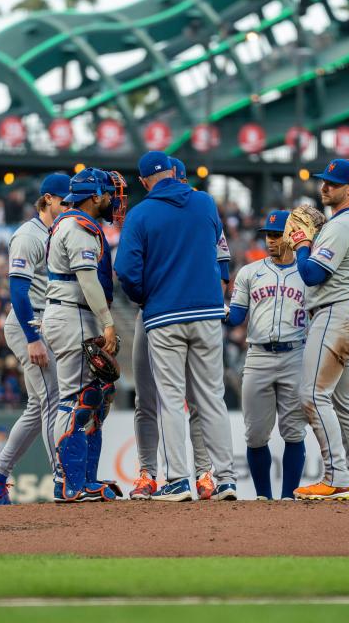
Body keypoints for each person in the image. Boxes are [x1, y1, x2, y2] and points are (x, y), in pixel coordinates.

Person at [115, 151, 236, 502]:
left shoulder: (140, 213)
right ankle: (225, 479)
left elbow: (125, 270)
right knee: (211, 398)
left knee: (169, 399)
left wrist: (144, 297)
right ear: (174, 172)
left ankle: (179, 480)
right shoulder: (205, 203)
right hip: (208, 313)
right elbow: (220, 253)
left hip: (165, 314)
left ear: (142, 181)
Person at [0, 174, 68, 506]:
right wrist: (32, 337)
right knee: (52, 398)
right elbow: (17, 289)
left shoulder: (59, 231)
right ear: (47, 200)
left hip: (49, 319)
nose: (69, 205)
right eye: (64, 200)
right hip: (29, 323)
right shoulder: (29, 235)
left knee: (38, 403)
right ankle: (64, 478)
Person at [288, 159, 349, 501]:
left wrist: (300, 244)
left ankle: (337, 478)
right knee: (345, 405)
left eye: (333, 184)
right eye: (324, 182)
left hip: (335, 316)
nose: (325, 187)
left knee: (312, 396)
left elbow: (312, 274)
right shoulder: (345, 224)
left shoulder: (342, 224)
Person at [42, 167, 124, 502]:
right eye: (106, 193)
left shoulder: (74, 222)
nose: (110, 199)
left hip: (73, 313)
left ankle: (83, 480)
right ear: (93, 196)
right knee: (76, 398)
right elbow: (87, 279)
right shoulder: (78, 226)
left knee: (94, 396)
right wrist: (107, 322)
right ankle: (67, 481)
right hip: (72, 313)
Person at [226, 210, 307, 500]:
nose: (270, 240)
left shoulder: (308, 274)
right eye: (268, 235)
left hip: (296, 355)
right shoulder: (250, 272)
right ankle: (264, 498)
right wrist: (218, 308)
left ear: (291, 236)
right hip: (258, 355)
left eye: (276, 235)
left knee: (294, 432)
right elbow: (236, 316)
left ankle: (288, 497)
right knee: (255, 434)